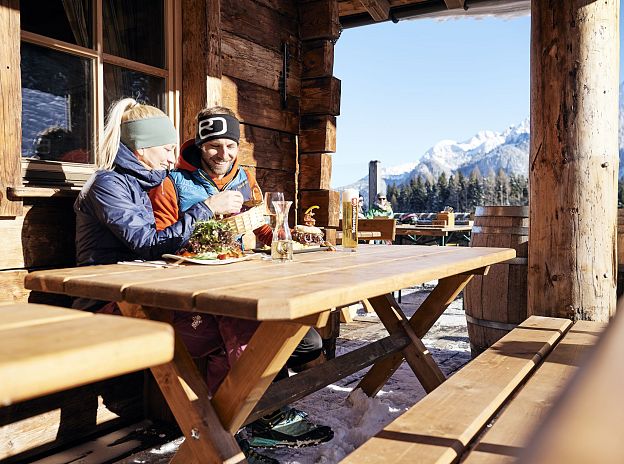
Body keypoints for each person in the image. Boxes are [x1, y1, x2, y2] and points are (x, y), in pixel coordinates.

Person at [149, 106, 333, 452]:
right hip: (194, 287)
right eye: (214, 146)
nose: (224, 154)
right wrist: (207, 209)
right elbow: (162, 239)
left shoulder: (245, 178)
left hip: (238, 276)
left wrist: (287, 235)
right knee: (252, 333)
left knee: (291, 333)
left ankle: (261, 413)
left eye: (231, 146)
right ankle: (258, 417)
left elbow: (262, 225)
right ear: (200, 145)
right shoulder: (173, 181)